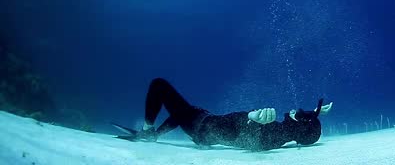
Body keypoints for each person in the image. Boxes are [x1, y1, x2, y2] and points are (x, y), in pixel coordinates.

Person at [112, 78, 333, 151]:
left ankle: (148, 132)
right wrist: (315, 112)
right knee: (182, 113)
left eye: (299, 114)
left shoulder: (276, 134)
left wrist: (250, 121)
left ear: (301, 124)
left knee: (159, 85)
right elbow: (298, 123)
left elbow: (254, 142)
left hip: (202, 127)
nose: (294, 111)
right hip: (203, 121)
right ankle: (154, 134)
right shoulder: (285, 131)